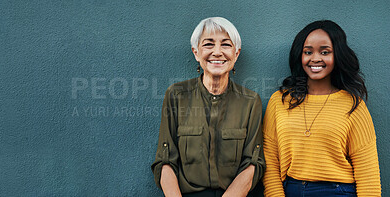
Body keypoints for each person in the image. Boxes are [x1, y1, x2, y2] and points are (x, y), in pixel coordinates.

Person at [262, 20, 381, 197]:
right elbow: (270, 160)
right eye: (308, 52)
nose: (315, 58)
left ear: (337, 56)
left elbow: (368, 176)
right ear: (299, 56)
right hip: (291, 190)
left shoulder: (354, 105)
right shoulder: (279, 100)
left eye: (325, 52)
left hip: (339, 192)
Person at [151, 17, 265, 197]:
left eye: (226, 45)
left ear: (236, 54)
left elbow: (253, 163)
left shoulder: (250, 101)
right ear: (196, 52)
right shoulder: (176, 95)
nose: (217, 52)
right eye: (209, 44)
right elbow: (165, 160)